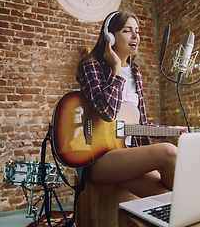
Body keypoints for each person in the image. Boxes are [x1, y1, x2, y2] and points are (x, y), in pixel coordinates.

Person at [76, 11, 178, 198]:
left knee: (169, 197)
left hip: (129, 154)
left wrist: (173, 130)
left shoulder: (136, 72)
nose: (135, 36)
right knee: (168, 151)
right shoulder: (90, 67)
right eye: (127, 30)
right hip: (96, 157)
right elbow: (107, 112)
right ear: (110, 37)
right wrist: (116, 67)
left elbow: (137, 125)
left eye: (137, 31)